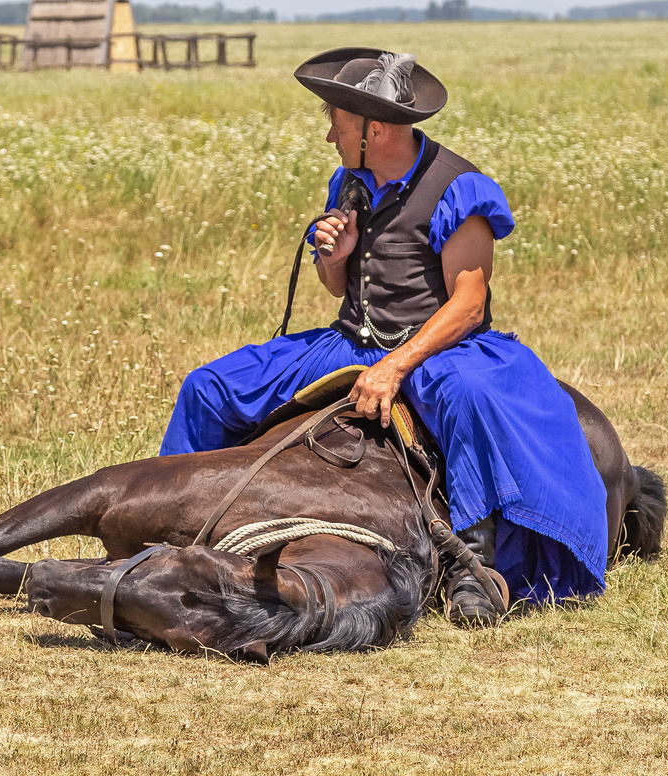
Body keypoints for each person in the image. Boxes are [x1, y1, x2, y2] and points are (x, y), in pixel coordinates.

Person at [159, 47, 607, 623]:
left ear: (374, 128)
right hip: (347, 340)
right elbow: (334, 287)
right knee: (209, 387)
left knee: (471, 398)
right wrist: (334, 258)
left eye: (336, 124)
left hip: (438, 348)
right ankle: (171, 538)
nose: (329, 137)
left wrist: (397, 365)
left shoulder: (458, 187)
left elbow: (469, 306)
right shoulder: (348, 182)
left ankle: (475, 566)